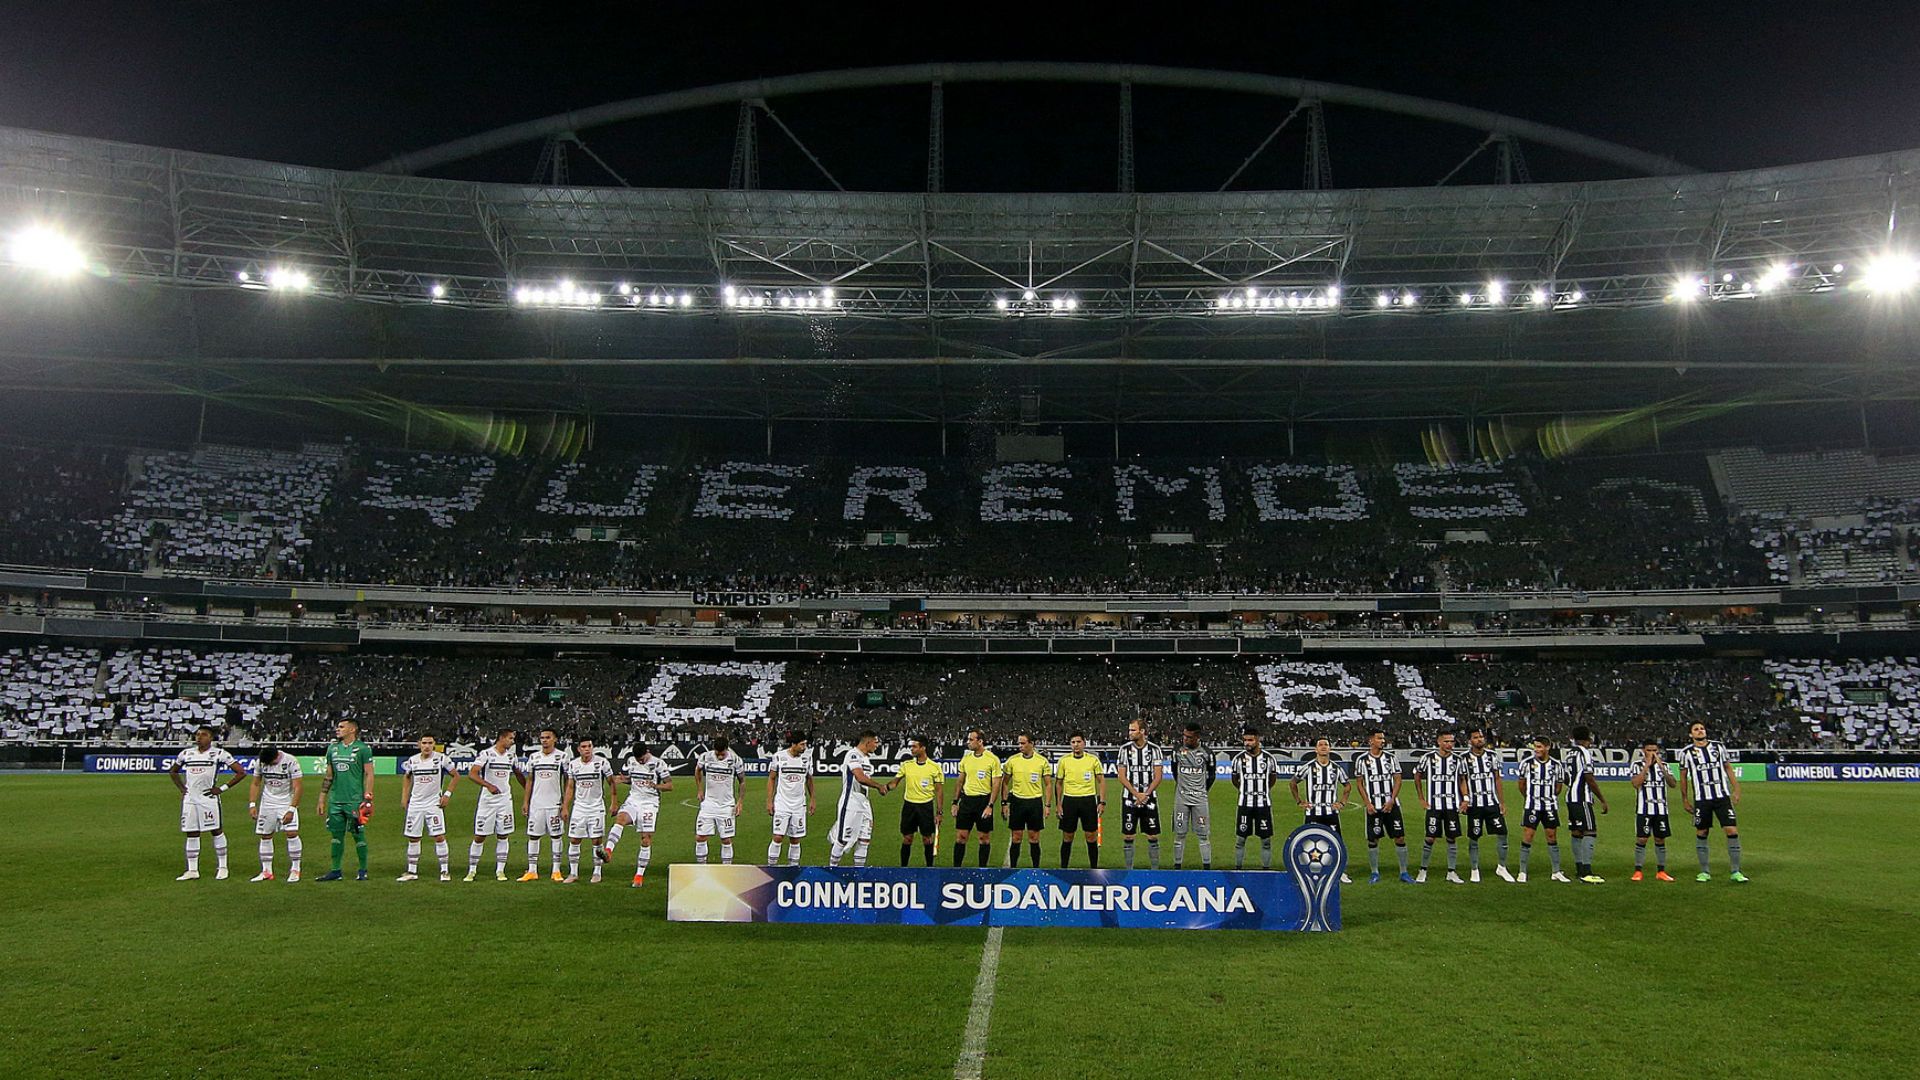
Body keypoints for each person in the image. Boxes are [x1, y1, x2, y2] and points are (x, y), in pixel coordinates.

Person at [169, 725, 246, 881]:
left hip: (208, 799)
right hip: (190, 799)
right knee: (191, 832)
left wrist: (222, 788)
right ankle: (192, 870)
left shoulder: (218, 754)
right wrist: (182, 788)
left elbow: (241, 772)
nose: (199, 737)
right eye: (197, 734)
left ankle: (223, 867)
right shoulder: (186, 753)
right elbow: (173, 771)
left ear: (211, 738)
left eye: (203, 735)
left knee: (216, 830)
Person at [1678, 721, 1747, 883]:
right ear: (1691, 734)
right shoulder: (1686, 753)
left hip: (1722, 797)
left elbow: (1728, 768)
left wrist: (1736, 789)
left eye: (1701, 728)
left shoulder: (1718, 747)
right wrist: (1685, 799)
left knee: (1731, 830)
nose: (1700, 731)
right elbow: (1683, 777)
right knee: (1702, 832)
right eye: (1696, 729)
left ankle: (1736, 871)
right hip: (1702, 799)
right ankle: (1704, 871)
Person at [602, 743, 673, 887]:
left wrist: (656, 786)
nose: (640, 761)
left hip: (649, 803)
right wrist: (625, 780)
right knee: (620, 818)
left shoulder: (659, 764)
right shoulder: (631, 761)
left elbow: (670, 785)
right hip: (633, 800)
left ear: (647, 752)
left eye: (642, 759)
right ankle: (608, 851)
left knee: (645, 839)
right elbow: (633, 779)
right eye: (638, 759)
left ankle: (639, 876)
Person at [315, 719, 374, 882]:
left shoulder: (363, 749)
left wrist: (368, 796)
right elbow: (329, 776)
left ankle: (363, 870)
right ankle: (335, 870)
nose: (337, 729)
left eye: (341, 727)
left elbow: (369, 773)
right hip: (335, 800)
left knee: (358, 834)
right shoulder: (332, 749)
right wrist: (322, 798)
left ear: (352, 729)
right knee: (336, 836)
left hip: (354, 801)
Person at [1289, 736, 1352, 884]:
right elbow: (1293, 782)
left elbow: (1347, 785)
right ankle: (1309, 872)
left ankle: (1340, 872)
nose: (1323, 747)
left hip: (1331, 813)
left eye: (1326, 744)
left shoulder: (1336, 768)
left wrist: (1342, 802)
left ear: (1330, 748)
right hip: (1313, 812)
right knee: (1309, 843)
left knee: (1336, 842)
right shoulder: (1308, 767)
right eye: (1320, 745)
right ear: (1315, 749)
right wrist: (1299, 801)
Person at [1354, 728, 1413, 884]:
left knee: (1399, 837)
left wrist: (1392, 800)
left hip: (1391, 804)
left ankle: (1404, 872)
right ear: (1371, 741)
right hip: (1373, 806)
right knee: (1373, 840)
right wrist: (1367, 803)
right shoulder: (1361, 760)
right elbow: (1359, 784)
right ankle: (1374, 873)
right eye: (1379, 738)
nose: (1383, 741)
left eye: (1383, 738)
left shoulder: (1391, 758)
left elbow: (1398, 780)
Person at [465, 728, 522, 882]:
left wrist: (529, 793)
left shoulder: (511, 756)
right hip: (488, 801)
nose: (512, 741)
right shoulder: (487, 754)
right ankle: (472, 871)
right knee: (480, 836)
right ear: (502, 738)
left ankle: (500, 871)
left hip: (504, 801)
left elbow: (518, 774)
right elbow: (472, 773)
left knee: (503, 835)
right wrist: (488, 785)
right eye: (510, 738)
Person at [397, 734, 456, 882]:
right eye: (424, 743)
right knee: (413, 837)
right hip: (415, 804)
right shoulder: (413, 760)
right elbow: (407, 777)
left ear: (434, 744)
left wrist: (447, 794)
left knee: (439, 836)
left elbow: (455, 776)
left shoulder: (441, 759)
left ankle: (444, 871)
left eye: (430, 743)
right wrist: (405, 797)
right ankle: (412, 871)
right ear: (419, 744)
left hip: (433, 804)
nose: (427, 746)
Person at [828, 731, 889, 868]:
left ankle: (859, 873)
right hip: (851, 802)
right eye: (875, 742)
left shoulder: (866, 758)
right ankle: (832, 869)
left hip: (864, 803)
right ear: (868, 742)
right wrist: (879, 786)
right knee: (843, 839)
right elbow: (860, 777)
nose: (877, 745)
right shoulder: (852, 755)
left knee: (864, 839)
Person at [1462, 727, 1515, 883]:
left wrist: (1502, 802)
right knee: (1474, 836)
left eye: (1481, 737)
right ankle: (1474, 869)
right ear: (1470, 741)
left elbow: (1497, 779)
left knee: (1502, 833)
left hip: (1492, 803)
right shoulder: (1464, 758)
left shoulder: (1492, 756)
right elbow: (1462, 779)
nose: (1479, 739)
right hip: (1474, 804)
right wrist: (1465, 798)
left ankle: (1502, 867)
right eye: (1476, 737)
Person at [519, 727, 569, 883]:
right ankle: (532, 870)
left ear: (555, 739)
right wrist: (526, 802)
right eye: (542, 738)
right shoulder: (534, 757)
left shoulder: (562, 757)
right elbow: (530, 780)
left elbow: (568, 781)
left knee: (556, 836)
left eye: (548, 737)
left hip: (554, 803)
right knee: (533, 836)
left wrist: (565, 804)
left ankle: (556, 870)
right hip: (536, 804)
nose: (544, 740)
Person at [1415, 730, 1465, 884]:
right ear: (1439, 742)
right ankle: (1423, 870)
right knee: (1430, 837)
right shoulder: (1428, 758)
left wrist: (1465, 799)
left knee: (1452, 837)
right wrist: (1422, 798)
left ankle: (1451, 871)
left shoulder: (1458, 760)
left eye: (1452, 741)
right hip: (1434, 806)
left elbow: (1462, 779)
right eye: (1446, 741)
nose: (1450, 744)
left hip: (1451, 805)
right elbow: (1417, 776)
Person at [1517, 737, 1569, 884]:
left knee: (1552, 837)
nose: (1537, 750)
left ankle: (1556, 871)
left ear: (1547, 747)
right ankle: (1522, 871)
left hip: (1550, 806)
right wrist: (1530, 797)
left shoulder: (1556, 765)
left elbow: (1558, 787)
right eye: (1535, 747)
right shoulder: (1526, 764)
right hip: (1532, 806)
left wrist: (1549, 797)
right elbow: (1521, 785)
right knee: (1528, 836)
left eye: (1539, 747)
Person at [562, 737, 614, 883]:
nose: (587, 749)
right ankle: (573, 873)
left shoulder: (601, 762)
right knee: (574, 839)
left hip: (596, 807)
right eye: (583, 746)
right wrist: (565, 806)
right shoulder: (573, 765)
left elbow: (611, 782)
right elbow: (570, 787)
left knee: (596, 841)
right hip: (579, 807)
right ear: (578, 749)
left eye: (589, 746)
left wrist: (614, 802)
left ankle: (597, 872)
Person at [247, 746, 302, 883]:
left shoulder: (290, 761)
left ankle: (295, 869)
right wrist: (252, 804)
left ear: (277, 757)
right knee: (265, 835)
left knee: (291, 833)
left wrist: (292, 809)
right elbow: (255, 783)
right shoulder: (261, 762)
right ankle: (266, 871)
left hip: (286, 802)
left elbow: (298, 787)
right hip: (268, 804)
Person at [1564, 725, 1611, 884]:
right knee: (1590, 832)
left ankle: (1579, 869)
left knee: (1576, 832)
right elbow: (1589, 777)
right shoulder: (1585, 753)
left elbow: (1565, 777)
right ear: (1588, 738)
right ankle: (1587, 872)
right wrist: (1602, 799)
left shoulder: (1570, 753)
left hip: (1570, 797)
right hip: (1582, 798)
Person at [1231, 727, 1281, 870]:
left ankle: (1266, 869)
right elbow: (1235, 780)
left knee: (1266, 840)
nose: (1247, 743)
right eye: (1245, 740)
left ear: (1258, 740)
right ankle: (1238, 868)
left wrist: (1262, 791)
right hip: (1244, 804)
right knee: (1240, 839)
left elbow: (1272, 779)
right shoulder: (1238, 760)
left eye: (1250, 740)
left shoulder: (1269, 759)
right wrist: (1245, 791)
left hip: (1263, 805)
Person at [1052, 732, 1104, 867]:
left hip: (1088, 801)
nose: (1076, 745)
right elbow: (1058, 783)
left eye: (1078, 742)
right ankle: (1063, 868)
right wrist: (1058, 804)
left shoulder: (1093, 760)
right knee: (1067, 837)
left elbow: (1101, 781)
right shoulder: (1064, 761)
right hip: (1069, 801)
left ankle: (1094, 868)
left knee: (1091, 836)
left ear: (1084, 743)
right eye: (1073, 742)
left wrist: (1102, 801)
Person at [951, 729, 1001, 868]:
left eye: (971, 739)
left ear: (980, 741)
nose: (968, 742)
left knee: (983, 838)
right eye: (968, 739)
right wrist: (955, 802)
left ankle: (982, 869)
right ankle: (956, 869)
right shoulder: (966, 759)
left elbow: (996, 783)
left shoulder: (992, 759)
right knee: (961, 837)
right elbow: (960, 781)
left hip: (983, 801)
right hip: (967, 801)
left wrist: (990, 805)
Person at [1117, 719, 1163, 870]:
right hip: (1130, 798)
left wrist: (1146, 794)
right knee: (1128, 835)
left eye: (1132, 730)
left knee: (1153, 835)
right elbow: (1121, 776)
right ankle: (1129, 870)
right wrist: (1137, 794)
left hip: (1149, 798)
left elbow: (1158, 776)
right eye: (1129, 730)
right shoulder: (1124, 750)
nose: (1129, 733)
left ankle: (1155, 870)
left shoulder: (1154, 749)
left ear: (1142, 731)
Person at [1168, 723, 1214, 870]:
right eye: (1184, 736)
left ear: (1197, 737)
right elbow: (1175, 771)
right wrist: (1183, 787)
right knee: (1180, 833)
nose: (1185, 739)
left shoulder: (1207, 753)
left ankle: (1206, 866)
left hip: (1200, 799)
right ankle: (1177, 866)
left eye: (1189, 737)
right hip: (1181, 798)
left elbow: (1211, 776)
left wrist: (1201, 790)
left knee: (1203, 834)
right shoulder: (1177, 751)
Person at [1629, 738, 1676, 882]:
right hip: (1644, 809)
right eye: (1649, 750)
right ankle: (1638, 871)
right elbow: (1636, 784)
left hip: (1661, 809)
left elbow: (1673, 784)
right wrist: (1646, 767)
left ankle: (1661, 871)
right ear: (1643, 751)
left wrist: (1661, 767)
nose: (1652, 753)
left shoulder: (1665, 766)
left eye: (1655, 750)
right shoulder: (1637, 765)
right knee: (1642, 839)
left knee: (1660, 839)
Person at [693, 735, 744, 865]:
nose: (720, 756)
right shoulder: (706, 757)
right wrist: (699, 789)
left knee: (726, 839)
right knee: (700, 837)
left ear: (727, 749)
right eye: (717, 754)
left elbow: (742, 781)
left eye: (722, 754)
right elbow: (698, 770)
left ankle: (726, 869)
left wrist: (740, 802)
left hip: (727, 805)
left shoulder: (735, 760)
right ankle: (701, 868)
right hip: (709, 804)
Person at [1002, 732, 1050, 868]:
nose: (1020, 746)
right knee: (1016, 837)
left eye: (1023, 743)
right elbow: (1005, 783)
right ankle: (1013, 868)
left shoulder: (1042, 761)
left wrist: (1047, 805)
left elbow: (1048, 784)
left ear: (1031, 744)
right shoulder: (1012, 761)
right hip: (1017, 802)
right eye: (1019, 743)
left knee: (1034, 838)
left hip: (1035, 803)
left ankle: (1036, 868)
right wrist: (1004, 803)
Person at [766, 731, 814, 867]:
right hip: (782, 803)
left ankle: (793, 869)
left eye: (805, 744)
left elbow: (809, 780)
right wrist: (769, 801)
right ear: (793, 744)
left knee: (795, 838)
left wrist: (812, 799)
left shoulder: (806, 759)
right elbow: (771, 778)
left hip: (799, 804)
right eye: (802, 745)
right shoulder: (779, 757)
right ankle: (771, 867)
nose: (804, 747)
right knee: (778, 836)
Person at [896, 737, 944, 866]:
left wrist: (939, 812)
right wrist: (883, 787)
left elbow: (939, 791)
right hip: (909, 805)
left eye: (914, 747)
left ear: (923, 748)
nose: (911, 749)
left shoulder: (935, 767)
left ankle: (929, 868)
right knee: (907, 838)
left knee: (927, 839)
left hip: (925, 806)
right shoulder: (907, 765)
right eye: (911, 747)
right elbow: (895, 782)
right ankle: (903, 868)